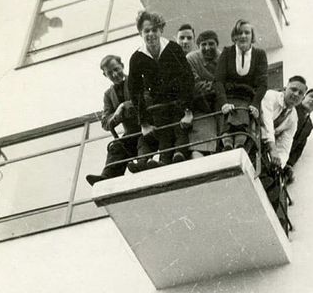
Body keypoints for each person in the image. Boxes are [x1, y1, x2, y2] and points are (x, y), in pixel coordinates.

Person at [128, 11, 194, 166]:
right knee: (164, 134)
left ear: (161, 30)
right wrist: (144, 123)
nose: (151, 34)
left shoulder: (173, 49)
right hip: (159, 105)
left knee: (180, 129)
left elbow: (188, 79)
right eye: (146, 31)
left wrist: (188, 111)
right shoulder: (137, 58)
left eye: (154, 30)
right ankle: (163, 161)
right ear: (140, 33)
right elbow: (135, 91)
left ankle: (179, 154)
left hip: (179, 101)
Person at [85, 55, 157, 186]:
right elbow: (105, 123)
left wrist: (123, 106)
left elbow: (148, 99)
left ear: (122, 66)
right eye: (110, 73)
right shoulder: (108, 94)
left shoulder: (137, 80)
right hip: (130, 134)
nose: (115, 74)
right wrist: (115, 116)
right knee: (117, 146)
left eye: (116, 69)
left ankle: (142, 165)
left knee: (143, 140)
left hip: (149, 127)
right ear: (105, 75)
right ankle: (106, 177)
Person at [214, 19, 268, 150]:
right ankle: (227, 145)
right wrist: (223, 103)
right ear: (234, 36)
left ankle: (239, 146)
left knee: (244, 117)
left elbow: (263, 84)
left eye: (247, 33)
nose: (243, 36)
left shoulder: (259, 54)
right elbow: (218, 81)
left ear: (252, 36)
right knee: (227, 118)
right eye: (240, 33)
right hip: (227, 97)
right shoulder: (227, 52)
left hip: (247, 99)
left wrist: (255, 104)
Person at [258, 76, 308, 211]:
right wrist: (272, 148)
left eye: (300, 93)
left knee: (274, 182)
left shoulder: (293, 118)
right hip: (256, 135)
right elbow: (266, 121)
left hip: (265, 146)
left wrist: (280, 162)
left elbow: (286, 144)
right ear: (286, 88)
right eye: (294, 89)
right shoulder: (271, 96)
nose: (296, 94)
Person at [186, 30, 221, 159]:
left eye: (211, 44)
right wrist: (217, 87)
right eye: (203, 44)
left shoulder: (224, 59)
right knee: (200, 143)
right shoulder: (191, 59)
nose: (207, 48)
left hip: (220, 106)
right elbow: (193, 86)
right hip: (201, 107)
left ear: (217, 44)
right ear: (198, 46)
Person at [284, 88, 313, 183]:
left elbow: (300, 146)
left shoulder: (309, 125)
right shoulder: (291, 108)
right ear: (303, 97)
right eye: (311, 96)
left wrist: (290, 164)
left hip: (282, 158)